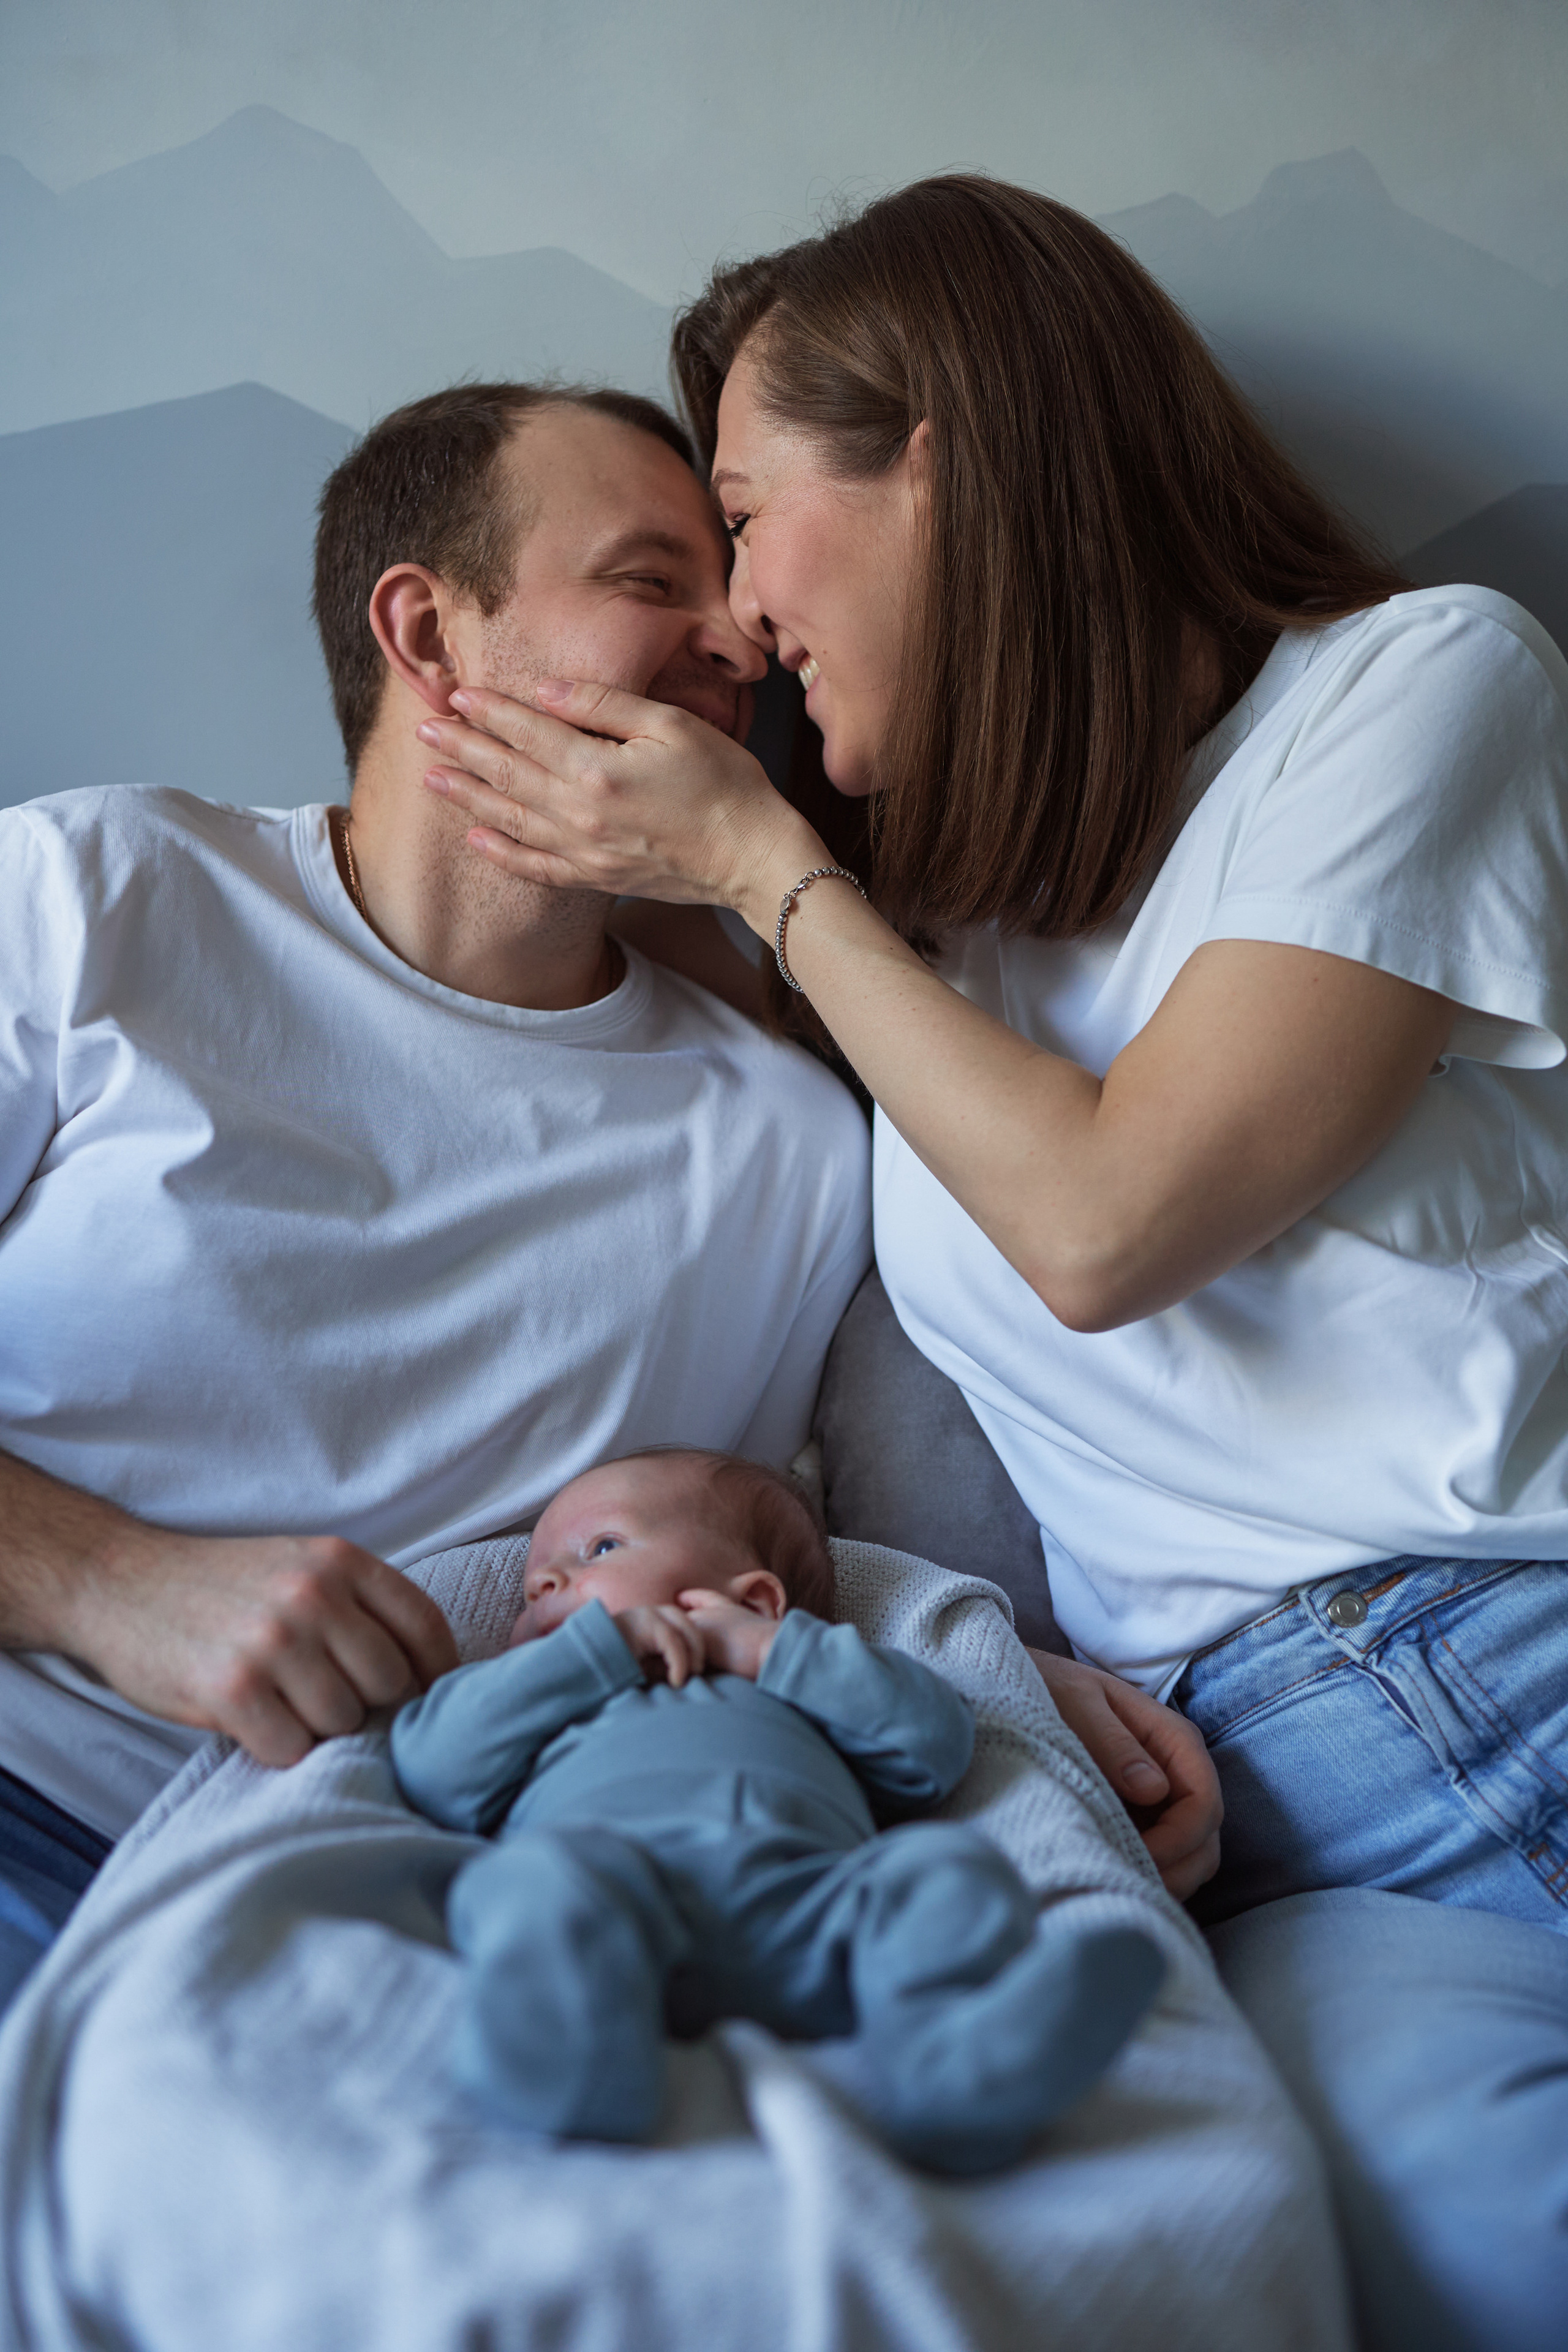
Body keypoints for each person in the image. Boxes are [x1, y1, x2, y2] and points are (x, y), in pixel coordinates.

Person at [410, 181, 1568, 2343]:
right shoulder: (938, 938)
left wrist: (762, 863)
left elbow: (1110, 1224)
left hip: (1511, 1651)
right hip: (1248, 1820)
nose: (742, 619)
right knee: (1445, 2248)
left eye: (748, 524)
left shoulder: (1415, 690)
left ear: (946, 450)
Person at [0, 381, 873, 2012]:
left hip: (365, 1911)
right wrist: (101, 1581)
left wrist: (1023, 1686)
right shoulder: (91, 897)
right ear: (429, 633)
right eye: (649, 580)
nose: (739, 647)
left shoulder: (789, 1144)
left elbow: (763, 1561)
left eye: (736, 592)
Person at [390, 1444, 1164, 2173]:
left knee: (941, 1871)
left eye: (599, 1550)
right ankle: (573, 2055)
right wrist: (586, 1656)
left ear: (752, 1599)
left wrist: (765, 1649)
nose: (543, 1583)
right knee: (532, 1884)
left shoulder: (803, 1680)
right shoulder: (545, 1698)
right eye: (536, 1578)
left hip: (808, 1912)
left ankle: (951, 2067)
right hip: (611, 1898)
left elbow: (931, 1742)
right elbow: (435, 1767)